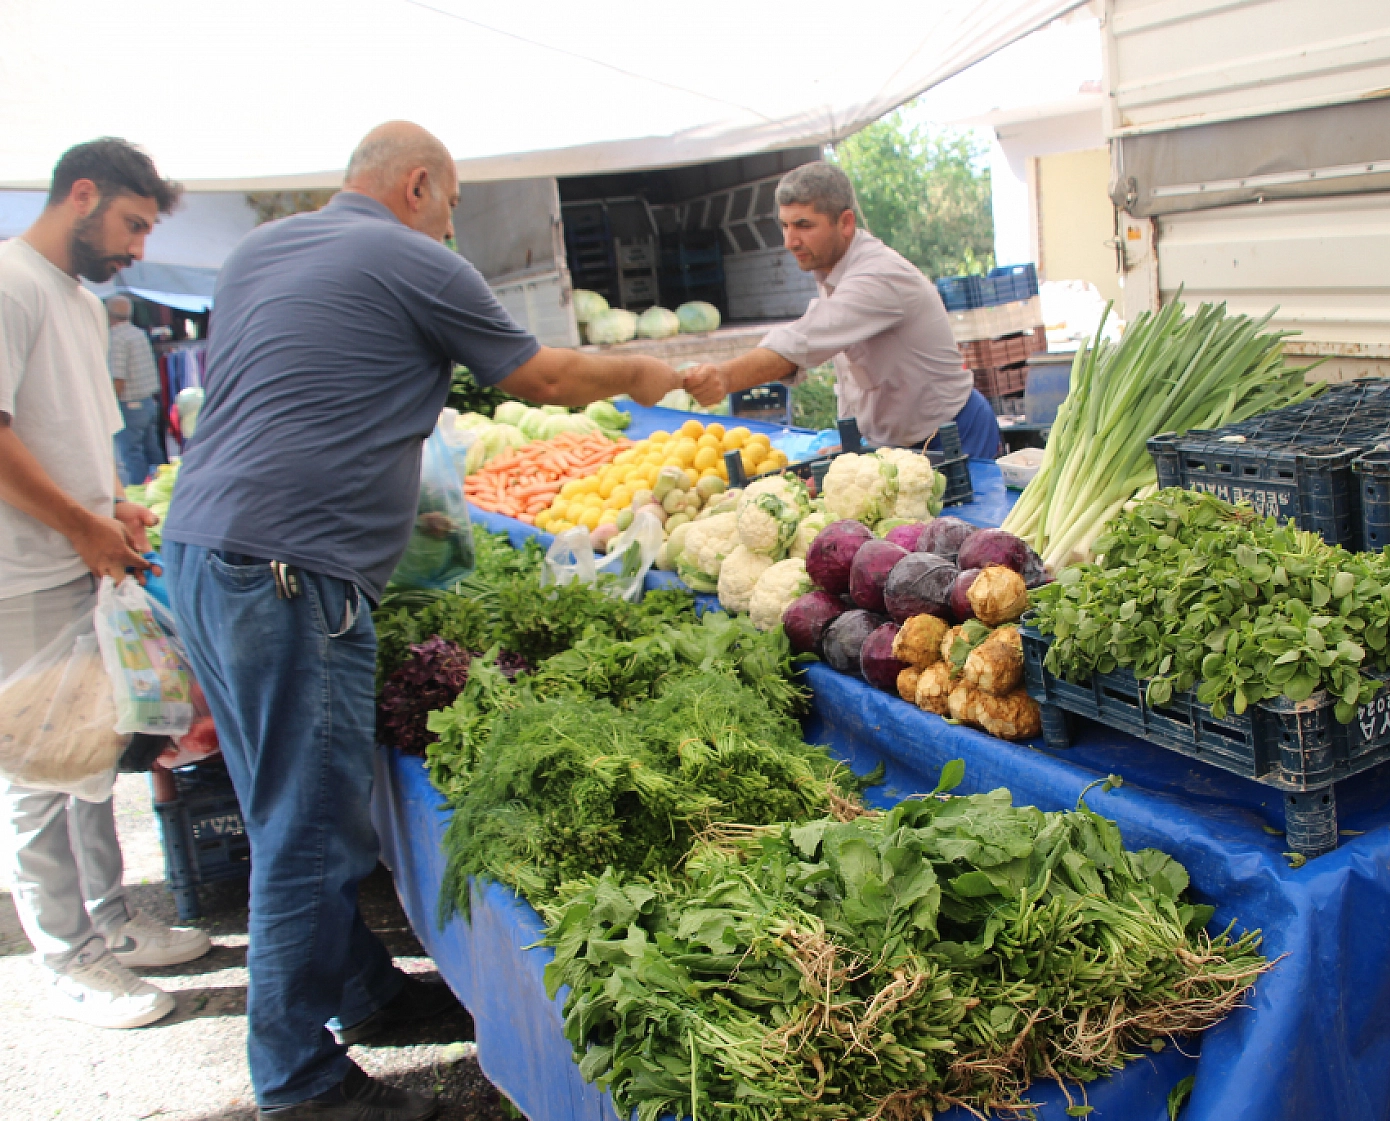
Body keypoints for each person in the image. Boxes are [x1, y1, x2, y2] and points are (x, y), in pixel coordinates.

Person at [162, 121, 691, 1121]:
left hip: (199, 549)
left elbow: (299, 394)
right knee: (308, 828)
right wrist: (637, 372)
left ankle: (362, 992)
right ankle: (297, 1080)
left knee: (281, 801)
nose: (450, 226)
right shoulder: (413, 257)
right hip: (290, 573)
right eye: (449, 204)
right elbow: (538, 379)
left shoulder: (258, 252)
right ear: (416, 185)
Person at [0, 138, 212, 1032]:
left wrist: (111, 506)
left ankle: (112, 920)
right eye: (131, 224)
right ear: (81, 194)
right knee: (34, 766)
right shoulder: (9, 283)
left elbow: (72, 434)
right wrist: (81, 524)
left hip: (81, 559)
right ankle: (67, 953)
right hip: (20, 572)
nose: (136, 247)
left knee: (87, 753)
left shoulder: (84, 306)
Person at [684, 161, 1001, 461]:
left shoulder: (878, 275)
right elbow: (853, 373)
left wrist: (725, 377)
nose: (790, 241)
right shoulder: (830, 269)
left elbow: (801, 342)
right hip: (896, 445)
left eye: (804, 225)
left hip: (953, 434)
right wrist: (853, 443)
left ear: (846, 223)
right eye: (785, 226)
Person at [107, 295, 163, 485]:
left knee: (133, 454)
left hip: (129, 405)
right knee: (153, 451)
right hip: (147, 402)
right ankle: (163, 487)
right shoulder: (138, 333)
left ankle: (140, 492)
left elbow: (118, 377)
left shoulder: (116, 338)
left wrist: (109, 406)